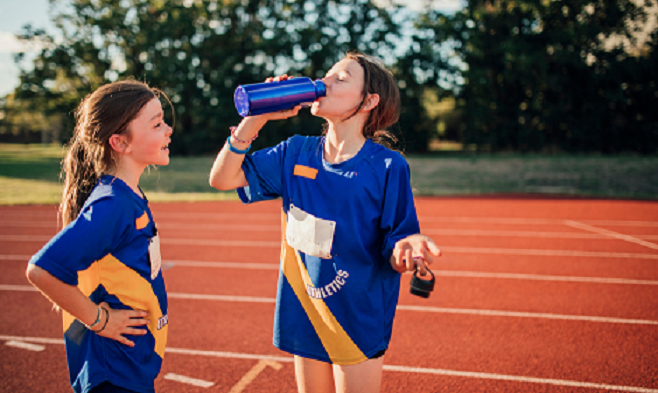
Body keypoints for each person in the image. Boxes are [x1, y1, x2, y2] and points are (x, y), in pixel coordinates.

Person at [209, 52, 442, 393]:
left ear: (369, 100)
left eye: (342, 78)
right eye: (328, 74)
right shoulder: (295, 152)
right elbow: (222, 179)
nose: (326, 82)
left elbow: (397, 245)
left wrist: (408, 248)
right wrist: (254, 120)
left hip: (356, 318)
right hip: (305, 309)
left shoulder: (388, 166)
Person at [26, 80, 173, 393]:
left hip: (129, 363)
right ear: (120, 143)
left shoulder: (128, 195)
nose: (168, 129)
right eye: (157, 124)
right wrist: (100, 320)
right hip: (113, 370)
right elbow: (42, 269)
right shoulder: (113, 204)